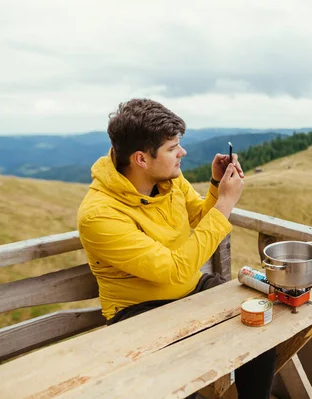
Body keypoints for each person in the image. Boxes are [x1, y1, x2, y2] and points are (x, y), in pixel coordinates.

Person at [77, 99, 276, 399]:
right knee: (183, 377)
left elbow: (198, 215)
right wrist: (225, 204)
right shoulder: (99, 215)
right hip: (139, 311)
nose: (182, 152)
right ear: (141, 159)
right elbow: (173, 269)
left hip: (191, 288)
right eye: (172, 148)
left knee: (258, 328)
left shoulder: (168, 179)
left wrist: (215, 185)